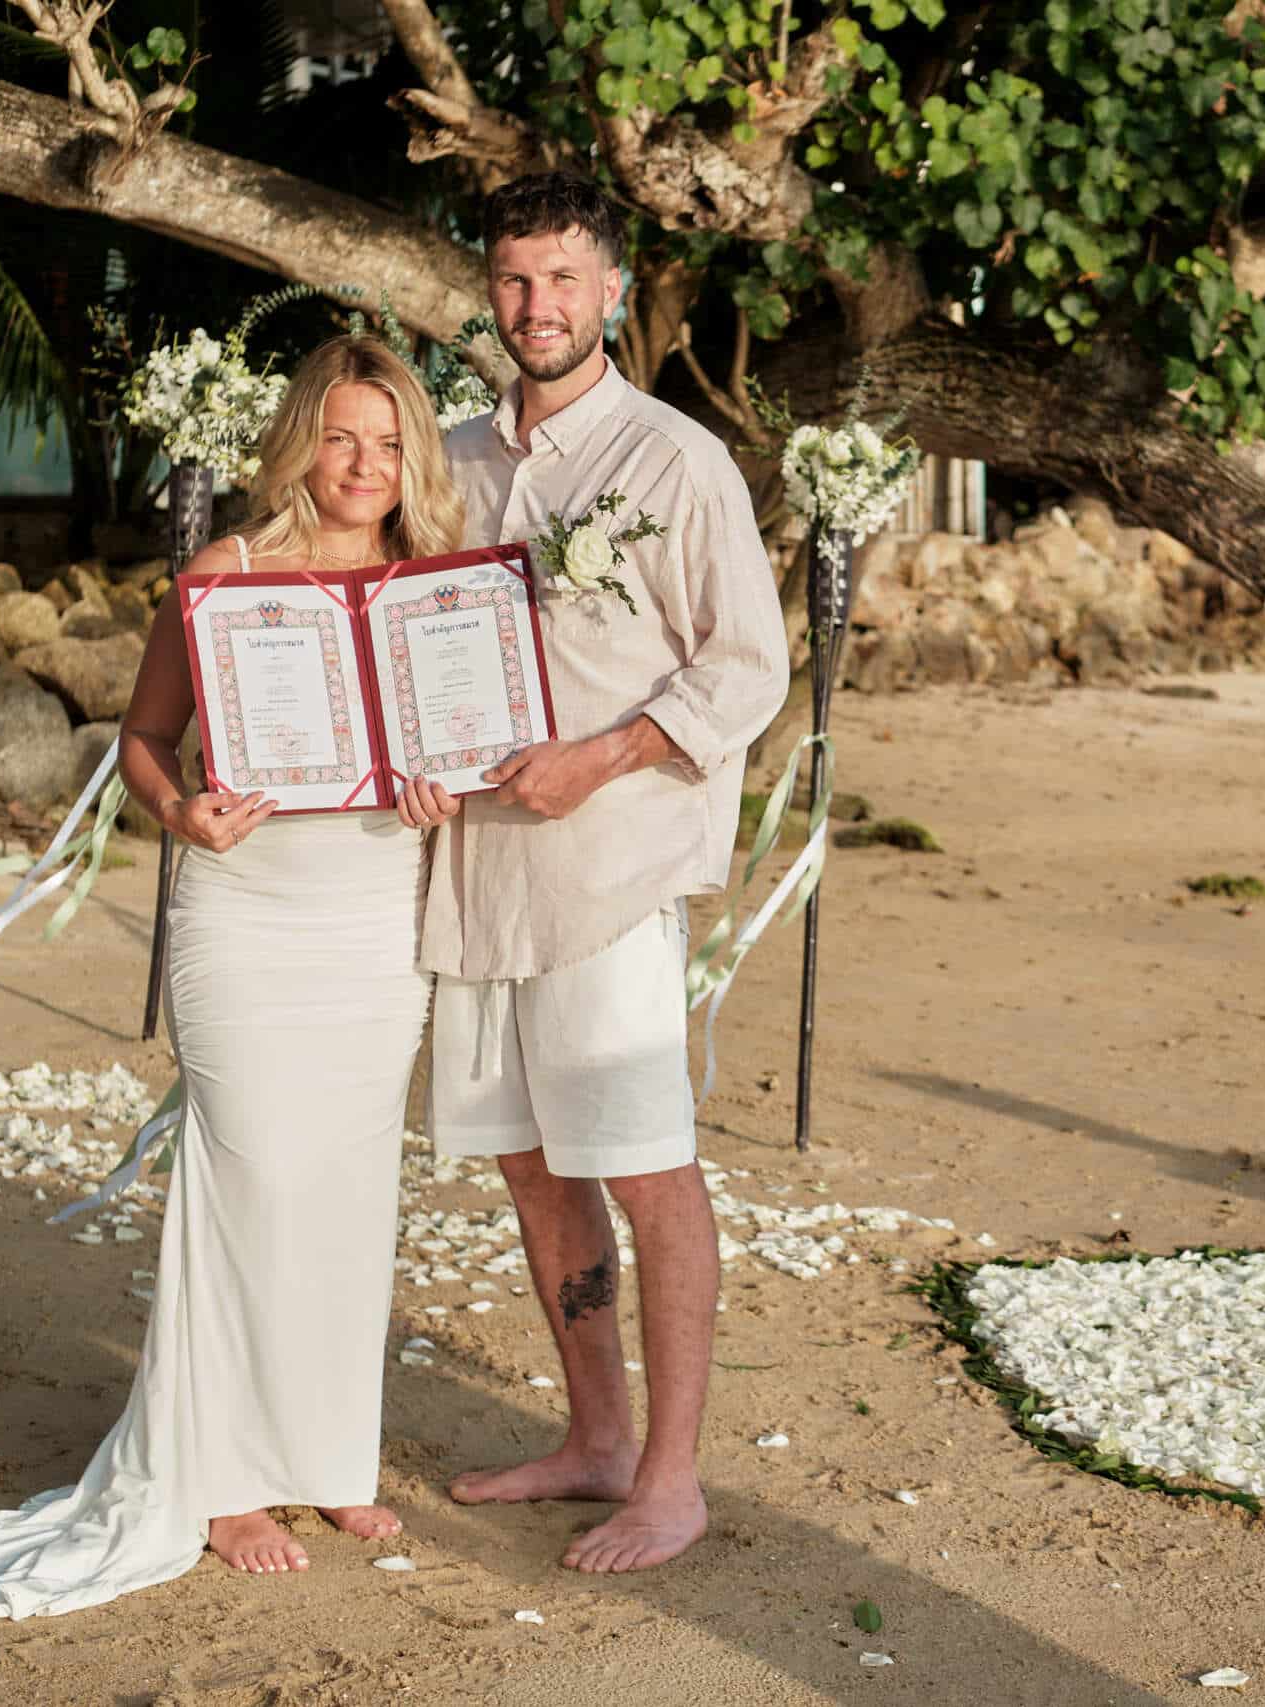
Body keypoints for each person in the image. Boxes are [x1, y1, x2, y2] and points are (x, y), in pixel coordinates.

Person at [0, 335, 465, 1615]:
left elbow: (466, 748)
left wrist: (449, 797)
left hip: (378, 915)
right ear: (300, 441)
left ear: (411, 454)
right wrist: (181, 814)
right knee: (251, 1175)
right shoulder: (227, 572)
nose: (364, 465)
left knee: (351, 1188)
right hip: (247, 911)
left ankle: (326, 1452)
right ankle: (222, 1477)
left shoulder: (435, 587)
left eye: (388, 442)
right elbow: (147, 743)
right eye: (341, 436)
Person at [396, 172, 788, 1574]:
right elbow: (406, 645)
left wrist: (606, 756)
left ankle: (672, 1478)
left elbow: (749, 664)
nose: (536, 307)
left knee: (645, 1166)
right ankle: (597, 1435)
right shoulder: (451, 459)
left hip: (609, 875)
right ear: (489, 292)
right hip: (477, 877)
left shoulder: (677, 459)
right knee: (531, 1165)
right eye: (513, 281)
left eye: (563, 279)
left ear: (614, 290)